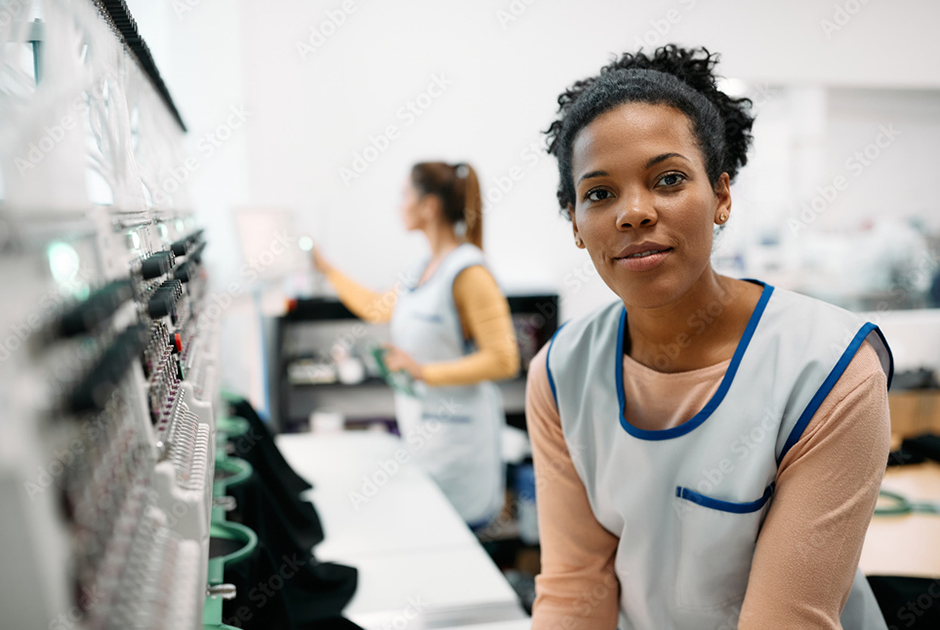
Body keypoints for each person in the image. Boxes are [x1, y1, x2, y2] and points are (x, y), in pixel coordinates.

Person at [527, 45, 893, 629]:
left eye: (668, 179)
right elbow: (575, 589)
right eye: (599, 194)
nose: (634, 213)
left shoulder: (827, 370)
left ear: (721, 196)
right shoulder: (559, 372)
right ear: (575, 222)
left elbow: (787, 621)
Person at [311, 161, 520, 528]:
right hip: (427, 436)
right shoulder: (419, 269)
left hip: (462, 444)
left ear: (429, 206)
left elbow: (504, 360)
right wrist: (325, 269)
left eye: (404, 194)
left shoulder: (469, 272)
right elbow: (376, 308)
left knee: (458, 548)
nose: (398, 204)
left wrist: (422, 371)